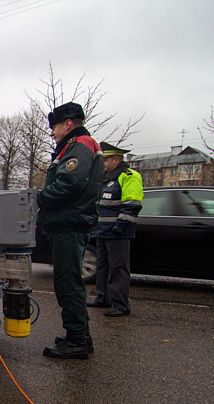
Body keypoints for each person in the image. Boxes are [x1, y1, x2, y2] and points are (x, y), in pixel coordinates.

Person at [37, 102, 104, 359]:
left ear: (67, 124)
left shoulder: (79, 145)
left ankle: (76, 340)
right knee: (71, 281)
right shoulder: (79, 145)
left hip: (69, 223)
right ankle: (80, 336)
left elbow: (70, 182)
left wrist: (40, 199)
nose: (52, 133)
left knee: (67, 283)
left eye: (54, 127)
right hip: (71, 221)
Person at [88, 142, 144, 316]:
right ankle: (102, 298)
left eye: (105, 160)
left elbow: (132, 203)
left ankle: (120, 305)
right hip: (102, 231)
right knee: (103, 267)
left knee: (118, 269)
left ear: (115, 159)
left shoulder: (129, 176)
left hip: (117, 232)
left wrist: (120, 225)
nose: (102, 164)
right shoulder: (107, 178)